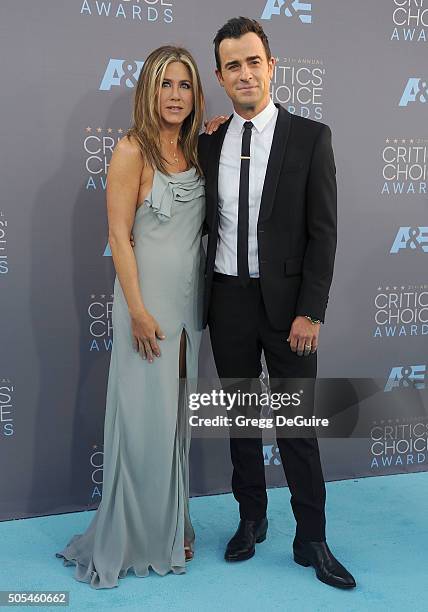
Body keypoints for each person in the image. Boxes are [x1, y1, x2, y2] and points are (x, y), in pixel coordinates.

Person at [199, 17, 356, 589]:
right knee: (241, 420)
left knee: (297, 427)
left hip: (291, 311)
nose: (244, 73)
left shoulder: (312, 137)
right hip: (227, 302)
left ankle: (310, 538)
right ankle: (251, 520)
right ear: (220, 75)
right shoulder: (209, 140)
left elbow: (325, 232)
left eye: (253, 61)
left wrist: (311, 311)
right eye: (232, 65)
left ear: (271, 65)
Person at [56, 46, 206, 589]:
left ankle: (171, 524)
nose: (174, 96)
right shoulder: (130, 150)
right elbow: (118, 236)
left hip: (190, 311)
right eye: (165, 85)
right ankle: (137, 537)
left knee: (175, 426)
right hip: (145, 309)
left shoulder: (195, 147)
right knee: (143, 426)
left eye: (184, 86)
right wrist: (138, 311)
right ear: (148, 89)